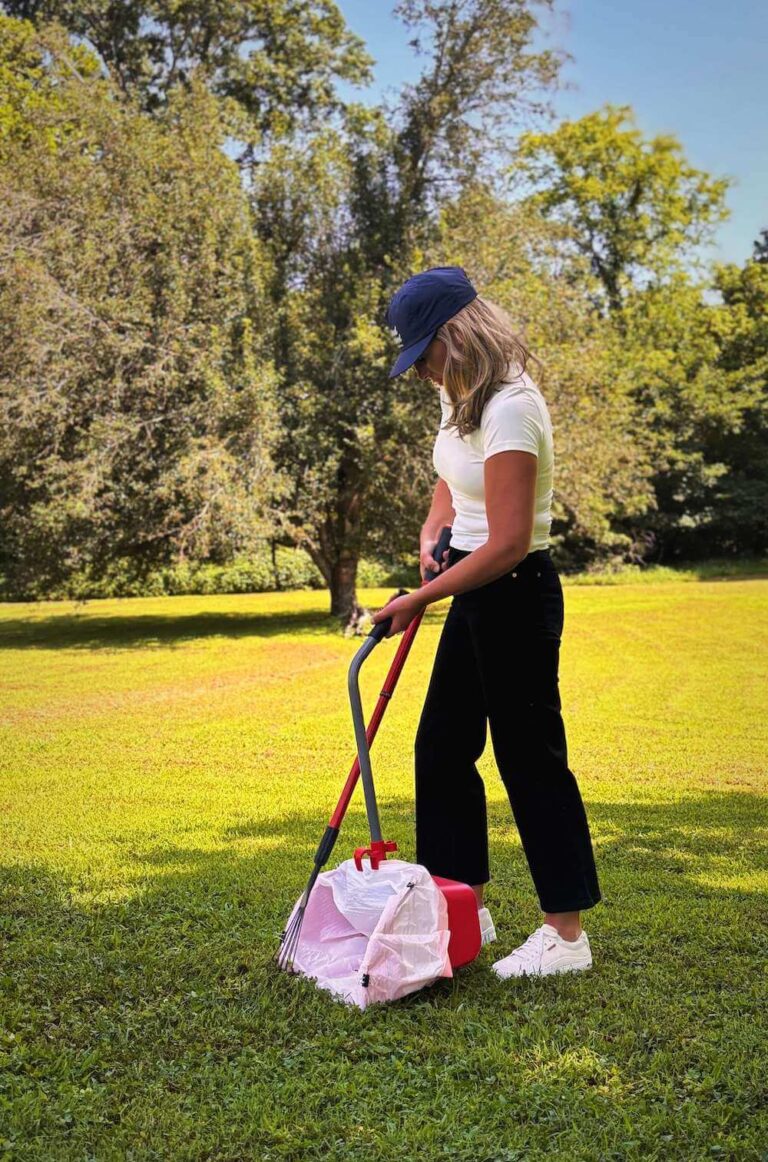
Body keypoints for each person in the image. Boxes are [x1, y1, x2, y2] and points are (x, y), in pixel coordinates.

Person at [372, 266, 602, 979]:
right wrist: (432, 529)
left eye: (423, 355)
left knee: (529, 758)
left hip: (514, 589)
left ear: (454, 335)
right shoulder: (460, 393)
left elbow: (506, 542)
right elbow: (451, 474)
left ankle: (565, 936)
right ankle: (459, 904)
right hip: (472, 585)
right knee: (440, 748)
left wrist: (420, 598)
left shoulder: (512, 405)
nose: (420, 374)